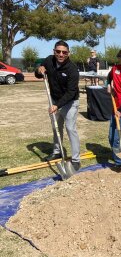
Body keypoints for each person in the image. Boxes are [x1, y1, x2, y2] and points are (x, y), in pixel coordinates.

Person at [35, 40, 81, 171]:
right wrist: (39, 70)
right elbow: (38, 73)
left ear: (68, 53)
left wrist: (57, 105)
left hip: (70, 102)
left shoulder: (72, 69)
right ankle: (57, 152)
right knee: (56, 127)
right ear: (54, 51)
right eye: (58, 51)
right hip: (54, 100)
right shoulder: (49, 60)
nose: (61, 54)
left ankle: (76, 159)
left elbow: (71, 92)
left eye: (64, 52)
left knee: (70, 128)